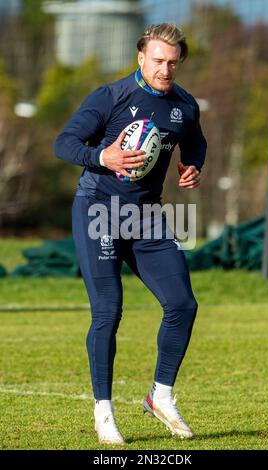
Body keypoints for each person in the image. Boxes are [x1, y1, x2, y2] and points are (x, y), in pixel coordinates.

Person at [54, 23, 207, 445]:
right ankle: (104, 412)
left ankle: (160, 396)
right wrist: (100, 155)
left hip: (145, 218)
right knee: (109, 312)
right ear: (141, 57)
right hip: (98, 209)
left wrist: (193, 166)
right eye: (158, 60)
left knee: (183, 304)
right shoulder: (110, 96)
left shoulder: (184, 105)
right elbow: (63, 143)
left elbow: (195, 142)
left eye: (173, 63)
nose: (165, 69)